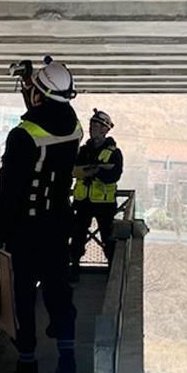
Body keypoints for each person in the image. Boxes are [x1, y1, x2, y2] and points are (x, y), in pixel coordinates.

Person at [0, 56, 82, 373]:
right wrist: (33, 85)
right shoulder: (74, 127)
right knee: (59, 293)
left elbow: (9, 192)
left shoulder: (22, 137)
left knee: (21, 300)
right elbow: (49, 116)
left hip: (25, 231)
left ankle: (28, 369)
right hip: (59, 226)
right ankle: (67, 363)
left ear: (39, 95)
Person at [70, 109, 123, 279]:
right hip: (82, 202)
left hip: (104, 204)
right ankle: (74, 267)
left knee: (108, 238)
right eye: (92, 124)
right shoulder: (83, 151)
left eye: (97, 125)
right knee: (77, 236)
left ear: (106, 129)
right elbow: (73, 171)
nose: (93, 128)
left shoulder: (114, 153)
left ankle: (113, 272)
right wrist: (97, 168)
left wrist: (94, 171)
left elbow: (113, 175)